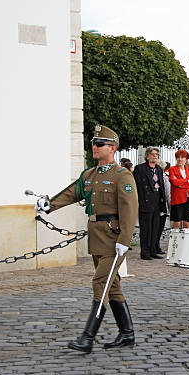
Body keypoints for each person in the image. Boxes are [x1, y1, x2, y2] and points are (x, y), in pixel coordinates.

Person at [35, 125, 138, 353]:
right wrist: (49, 205)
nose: (94, 146)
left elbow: (130, 210)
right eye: (93, 143)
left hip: (114, 239)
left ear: (112, 148)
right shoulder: (89, 175)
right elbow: (72, 193)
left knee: (100, 282)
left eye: (99, 144)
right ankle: (127, 333)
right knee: (113, 287)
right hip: (97, 237)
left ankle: (88, 337)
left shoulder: (122, 175)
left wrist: (125, 239)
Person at [133, 147, 168, 260]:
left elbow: (161, 185)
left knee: (155, 227)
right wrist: (140, 202)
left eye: (156, 154)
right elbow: (137, 186)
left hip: (157, 200)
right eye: (152, 154)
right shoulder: (140, 168)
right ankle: (145, 252)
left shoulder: (158, 169)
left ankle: (153, 250)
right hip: (145, 201)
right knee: (146, 228)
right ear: (147, 156)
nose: (155, 156)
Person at [168, 149, 189, 230]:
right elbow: (174, 182)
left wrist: (181, 184)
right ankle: (175, 241)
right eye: (178, 157)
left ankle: (186, 242)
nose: (180, 159)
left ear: (186, 159)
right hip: (177, 199)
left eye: (182, 157)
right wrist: (187, 181)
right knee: (177, 223)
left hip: (188, 198)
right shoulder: (172, 169)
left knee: (187, 223)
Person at [154, 160, 171, 253]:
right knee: (159, 228)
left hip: (154, 206)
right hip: (162, 206)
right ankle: (156, 246)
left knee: (154, 228)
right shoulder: (164, 177)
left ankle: (154, 246)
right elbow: (167, 193)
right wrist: (169, 207)